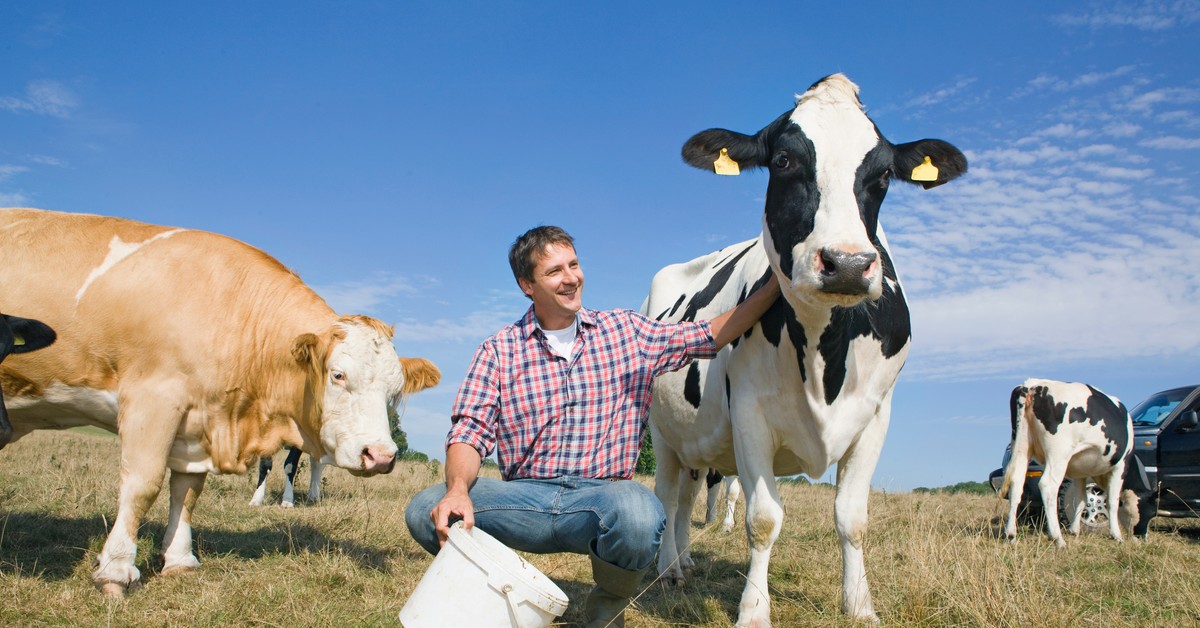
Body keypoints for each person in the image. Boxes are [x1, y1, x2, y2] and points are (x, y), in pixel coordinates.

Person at [405, 225, 780, 627]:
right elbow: (469, 431)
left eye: (574, 265)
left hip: (600, 501)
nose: (570, 278)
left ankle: (607, 607)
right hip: (524, 501)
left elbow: (708, 335)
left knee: (638, 511)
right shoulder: (498, 350)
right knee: (427, 509)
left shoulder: (626, 332)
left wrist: (778, 283)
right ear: (527, 285)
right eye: (554, 272)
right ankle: (504, 588)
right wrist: (459, 489)